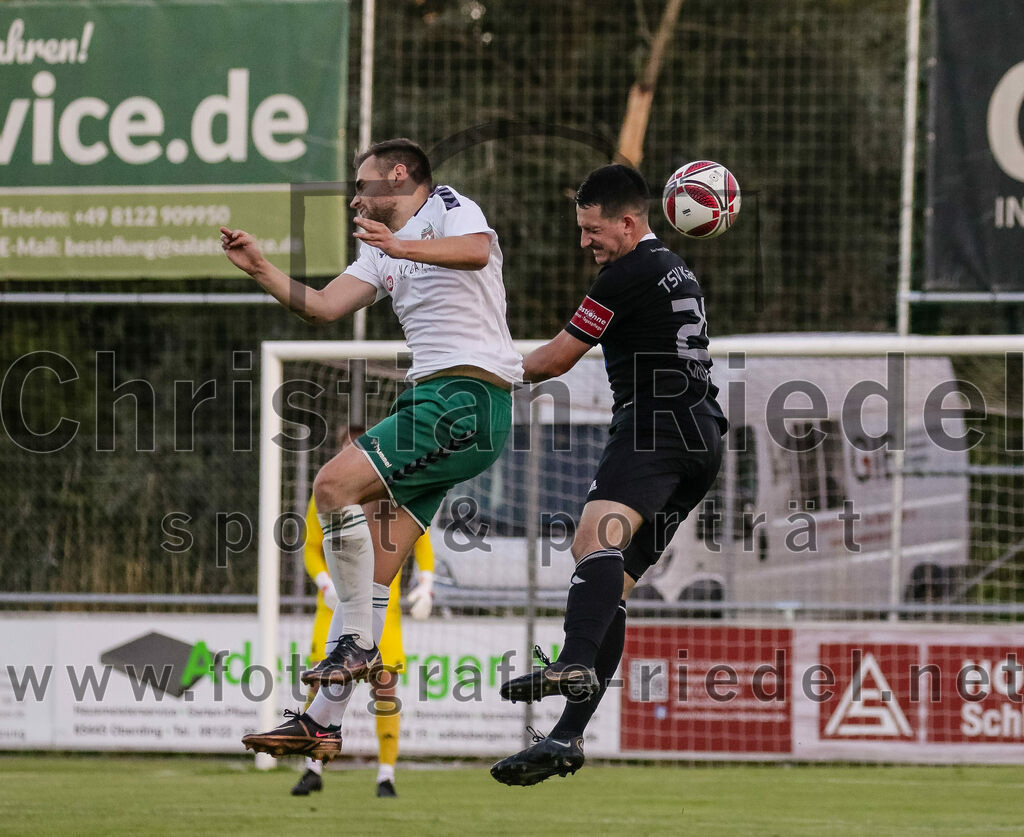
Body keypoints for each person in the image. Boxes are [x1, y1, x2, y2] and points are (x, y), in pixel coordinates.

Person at [226, 138, 522, 762]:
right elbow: (325, 306)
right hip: (436, 407)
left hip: (463, 400)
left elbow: (477, 251)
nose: (356, 197)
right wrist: (260, 269)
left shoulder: (446, 207)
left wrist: (401, 245)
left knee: (332, 486)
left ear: (398, 175)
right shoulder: (380, 249)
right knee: (372, 579)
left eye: (363, 184)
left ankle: (354, 651)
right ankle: (323, 723)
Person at [490, 164, 727, 786]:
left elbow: (551, 360)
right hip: (702, 439)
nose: (585, 241)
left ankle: (572, 663)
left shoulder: (624, 276)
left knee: (592, 541)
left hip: (655, 429)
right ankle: (566, 736)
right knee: (613, 581)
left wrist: (470, 369)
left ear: (628, 221)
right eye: (581, 229)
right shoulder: (676, 267)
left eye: (593, 229)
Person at [290, 429, 437, 799]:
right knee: (321, 681)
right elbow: (310, 548)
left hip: (379, 608)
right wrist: (326, 585)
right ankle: (312, 767)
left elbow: (421, 540)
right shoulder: (328, 490)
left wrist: (426, 583)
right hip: (336, 606)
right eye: (348, 446)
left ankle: (385, 774)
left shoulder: (392, 489)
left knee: (384, 686)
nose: (351, 453)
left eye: (359, 447)